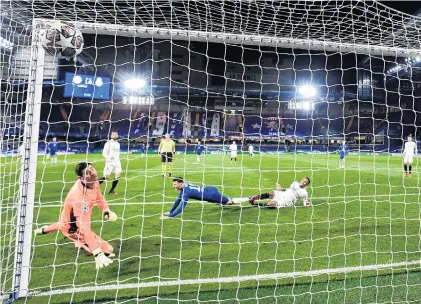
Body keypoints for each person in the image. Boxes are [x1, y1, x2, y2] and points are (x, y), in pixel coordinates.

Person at [35, 162, 118, 269]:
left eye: (92, 169)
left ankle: (44, 229)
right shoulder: (80, 199)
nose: (93, 173)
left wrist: (106, 210)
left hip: (67, 219)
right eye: (88, 173)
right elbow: (84, 228)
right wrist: (97, 253)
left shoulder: (94, 181)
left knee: (63, 223)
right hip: (74, 228)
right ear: (81, 178)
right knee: (108, 250)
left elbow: (100, 198)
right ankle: (79, 241)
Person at [160, 177, 234, 219]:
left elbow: (181, 207)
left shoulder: (186, 192)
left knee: (229, 202)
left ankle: (244, 198)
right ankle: (225, 199)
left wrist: (170, 216)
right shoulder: (185, 186)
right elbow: (178, 200)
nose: (173, 186)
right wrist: (170, 212)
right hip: (209, 190)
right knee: (223, 202)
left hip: (211, 195)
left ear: (181, 183)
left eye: (175, 184)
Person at [100, 130, 121, 195]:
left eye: (115, 134)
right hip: (110, 162)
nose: (114, 135)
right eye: (113, 134)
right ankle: (90, 187)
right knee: (106, 177)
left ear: (117, 136)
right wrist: (109, 158)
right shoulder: (108, 143)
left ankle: (111, 191)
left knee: (117, 175)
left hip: (117, 162)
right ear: (111, 135)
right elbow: (103, 153)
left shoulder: (118, 144)